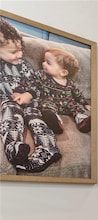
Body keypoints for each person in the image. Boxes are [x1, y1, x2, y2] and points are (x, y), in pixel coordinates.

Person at [0, 18, 60, 173]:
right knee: (10, 114)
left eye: (21, 50)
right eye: (14, 52)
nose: (20, 54)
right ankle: (14, 148)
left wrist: (29, 94)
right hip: (9, 103)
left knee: (35, 117)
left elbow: (38, 85)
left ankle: (48, 148)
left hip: (30, 103)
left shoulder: (24, 66)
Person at [38, 47, 91, 134]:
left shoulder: (70, 83)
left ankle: (82, 121)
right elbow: (33, 82)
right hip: (51, 102)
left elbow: (78, 94)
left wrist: (85, 104)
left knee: (76, 107)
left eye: (48, 63)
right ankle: (55, 121)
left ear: (63, 72)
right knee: (46, 104)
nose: (43, 64)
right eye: (44, 61)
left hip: (68, 104)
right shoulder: (42, 75)